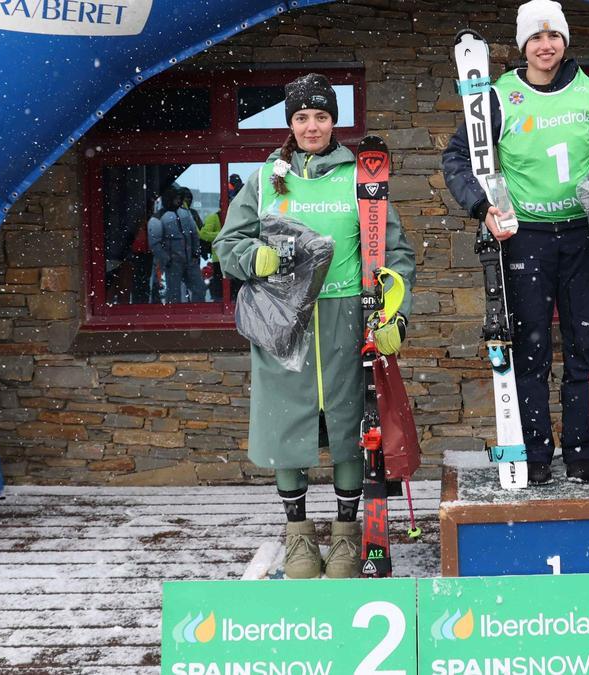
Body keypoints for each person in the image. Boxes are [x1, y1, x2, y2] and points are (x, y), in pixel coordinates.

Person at [214, 73, 416, 579]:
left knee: (351, 428)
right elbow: (226, 247)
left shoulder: (360, 177)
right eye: (302, 117)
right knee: (288, 425)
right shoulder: (264, 181)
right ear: (290, 123)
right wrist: (252, 257)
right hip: (284, 320)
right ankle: (299, 538)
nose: (311, 126)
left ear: (334, 122)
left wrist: (395, 313)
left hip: (348, 313)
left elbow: (397, 254)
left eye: (321, 116)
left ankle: (348, 538)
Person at [442, 0, 589, 485]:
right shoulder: (497, 95)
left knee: (585, 348)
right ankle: (534, 453)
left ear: (565, 42)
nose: (545, 46)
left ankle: (580, 455)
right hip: (525, 238)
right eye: (535, 38)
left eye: (553, 37)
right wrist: (480, 207)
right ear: (523, 46)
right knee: (529, 351)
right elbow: (456, 160)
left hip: (583, 237)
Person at [148, 186, 207, 303]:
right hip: (173, 262)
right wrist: (166, 259)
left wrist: (196, 252)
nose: (179, 201)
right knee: (174, 294)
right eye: (176, 199)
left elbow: (194, 234)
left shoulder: (185, 213)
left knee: (200, 289)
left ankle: (196, 313)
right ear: (169, 199)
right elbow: (155, 244)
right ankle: (175, 316)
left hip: (190, 260)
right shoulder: (157, 219)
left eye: (179, 198)